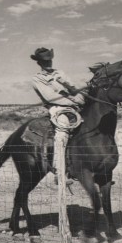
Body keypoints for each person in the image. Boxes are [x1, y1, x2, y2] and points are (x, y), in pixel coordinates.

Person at [30, 47, 86, 182]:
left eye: (50, 60)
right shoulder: (37, 79)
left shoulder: (60, 73)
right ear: (39, 62)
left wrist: (78, 95)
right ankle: (59, 171)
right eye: (45, 61)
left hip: (75, 104)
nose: (48, 63)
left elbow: (74, 88)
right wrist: (73, 101)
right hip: (57, 108)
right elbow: (50, 97)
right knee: (63, 125)